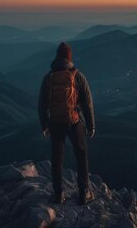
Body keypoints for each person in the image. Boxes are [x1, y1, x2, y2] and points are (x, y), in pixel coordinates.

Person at [38, 42, 95, 205]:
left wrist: (44, 125)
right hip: (74, 121)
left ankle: (58, 195)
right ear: (70, 58)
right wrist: (91, 125)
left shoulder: (49, 77)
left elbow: (41, 104)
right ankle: (84, 193)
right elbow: (87, 102)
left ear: (57, 57)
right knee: (81, 154)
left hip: (55, 122)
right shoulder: (78, 76)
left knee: (57, 158)